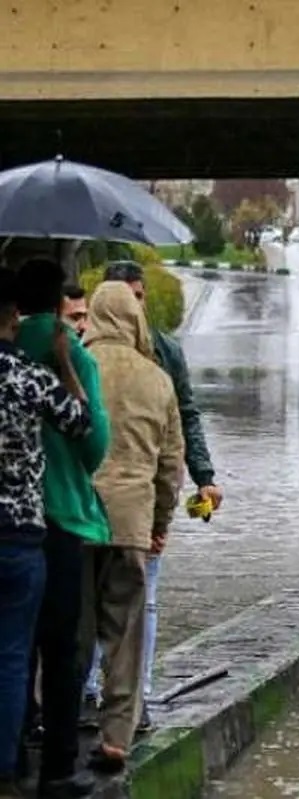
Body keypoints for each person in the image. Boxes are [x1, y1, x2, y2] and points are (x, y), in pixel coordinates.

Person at [92, 261, 220, 738]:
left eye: (141, 296)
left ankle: (133, 695)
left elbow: (185, 421)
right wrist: (162, 514)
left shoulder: (164, 352)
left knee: (134, 604)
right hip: (135, 508)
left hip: (117, 507)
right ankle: (110, 708)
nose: (137, 307)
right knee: (116, 605)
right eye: (131, 298)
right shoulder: (83, 355)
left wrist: (203, 478)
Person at [14, 258, 111, 799]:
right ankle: (58, 766)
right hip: (64, 512)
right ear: (59, 303)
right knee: (63, 646)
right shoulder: (69, 352)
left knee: (13, 645)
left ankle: (13, 747)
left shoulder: (6, 350)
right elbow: (93, 445)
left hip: (9, 519)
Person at [78, 282, 184, 774]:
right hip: (132, 524)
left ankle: (49, 724)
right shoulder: (157, 378)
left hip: (75, 520)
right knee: (125, 633)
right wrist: (160, 523)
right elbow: (170, 463)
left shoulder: (75, 366)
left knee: (68, 632)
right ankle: (117, 735)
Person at [0, 269, 93, 797]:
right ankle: (10, 765)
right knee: (16, 655)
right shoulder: (25, 376)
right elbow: (82, 423)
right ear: (14, 316)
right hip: (18, 534)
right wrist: (63, 361)